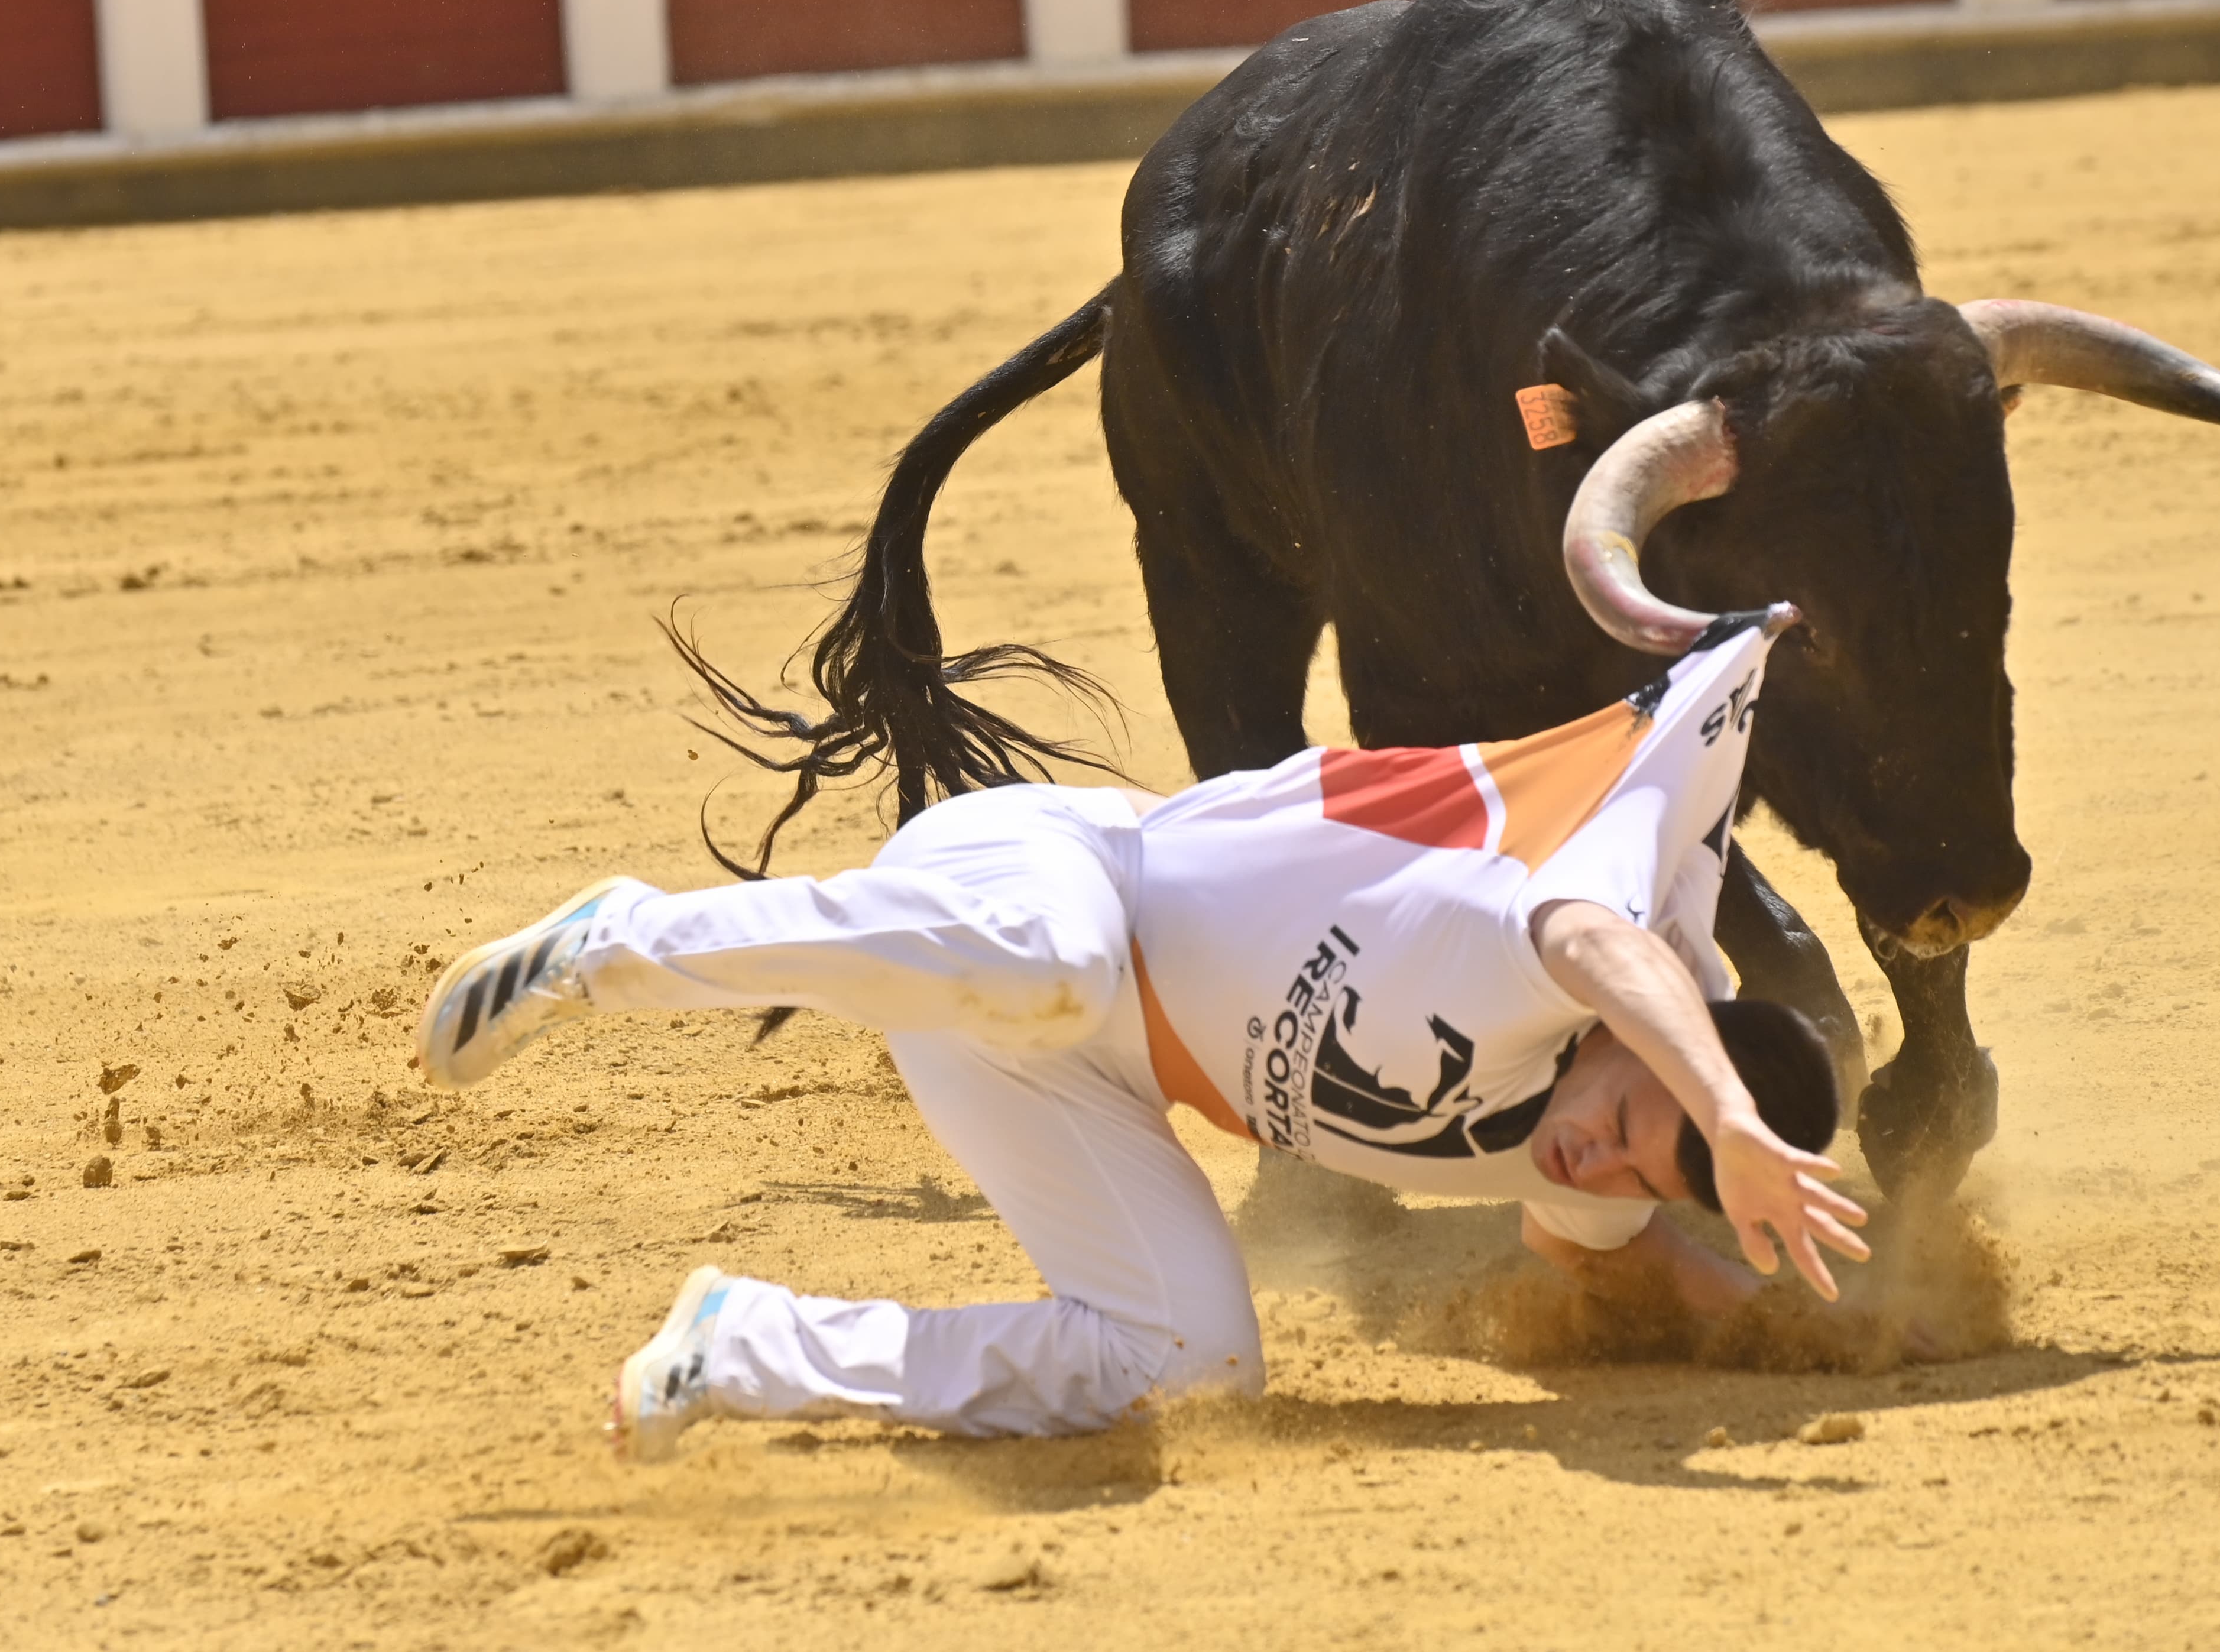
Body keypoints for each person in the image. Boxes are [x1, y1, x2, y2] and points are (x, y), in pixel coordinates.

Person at [414, 613, 1867, 1457]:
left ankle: (747, 1344)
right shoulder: (1552, 925)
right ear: (1647, 1034)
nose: (1598, 1158)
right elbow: (1598, 944)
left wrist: (1830, 1328)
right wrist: (1723, 1119)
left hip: (1077, 1074)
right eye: (1631, 1119)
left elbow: (1615, 1261)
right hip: (1051, 876)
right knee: (1050, 964)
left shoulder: (1592, 1171)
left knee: (1192, 1366)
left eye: (1639, 1174)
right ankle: (615, 943)